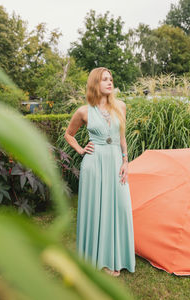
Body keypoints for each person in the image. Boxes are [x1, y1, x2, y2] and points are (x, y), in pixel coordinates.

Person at [64, 67, 135, 277]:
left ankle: (118, 257)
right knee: (97, 209)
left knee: (119, 206)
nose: (110, 82)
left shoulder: (120, 106)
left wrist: (125, 161)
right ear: (95, 83)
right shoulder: (83, 111)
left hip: (115, 162)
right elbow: (69, 134)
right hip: (94, 164)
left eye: (111, 79)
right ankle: (100, 261)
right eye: (105, 79)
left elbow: (122, 139)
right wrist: (80, 149)